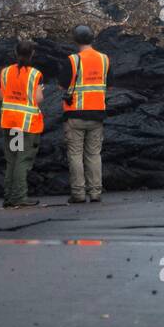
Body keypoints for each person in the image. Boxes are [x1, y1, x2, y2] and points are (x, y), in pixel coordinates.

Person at [60, 24, 110, 203]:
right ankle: (96, 192)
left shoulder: (73, 61)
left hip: (75, 114)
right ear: (92, 38)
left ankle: (78, 193)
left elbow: (62, 85)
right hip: (97, 114)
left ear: (75, 39)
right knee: (94, 154)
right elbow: (107, 83)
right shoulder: (104, 59)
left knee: (75, 154)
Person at [0, 39, 45, 208]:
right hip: (27, 124)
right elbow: (38, 99)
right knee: (22, 159)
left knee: (12, 158)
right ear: (32, 54)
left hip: (10, 123)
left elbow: (1, 96)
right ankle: (19, 196)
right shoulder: (35, 75)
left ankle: (9, 197)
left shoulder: (5, 72)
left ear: (15, 53)